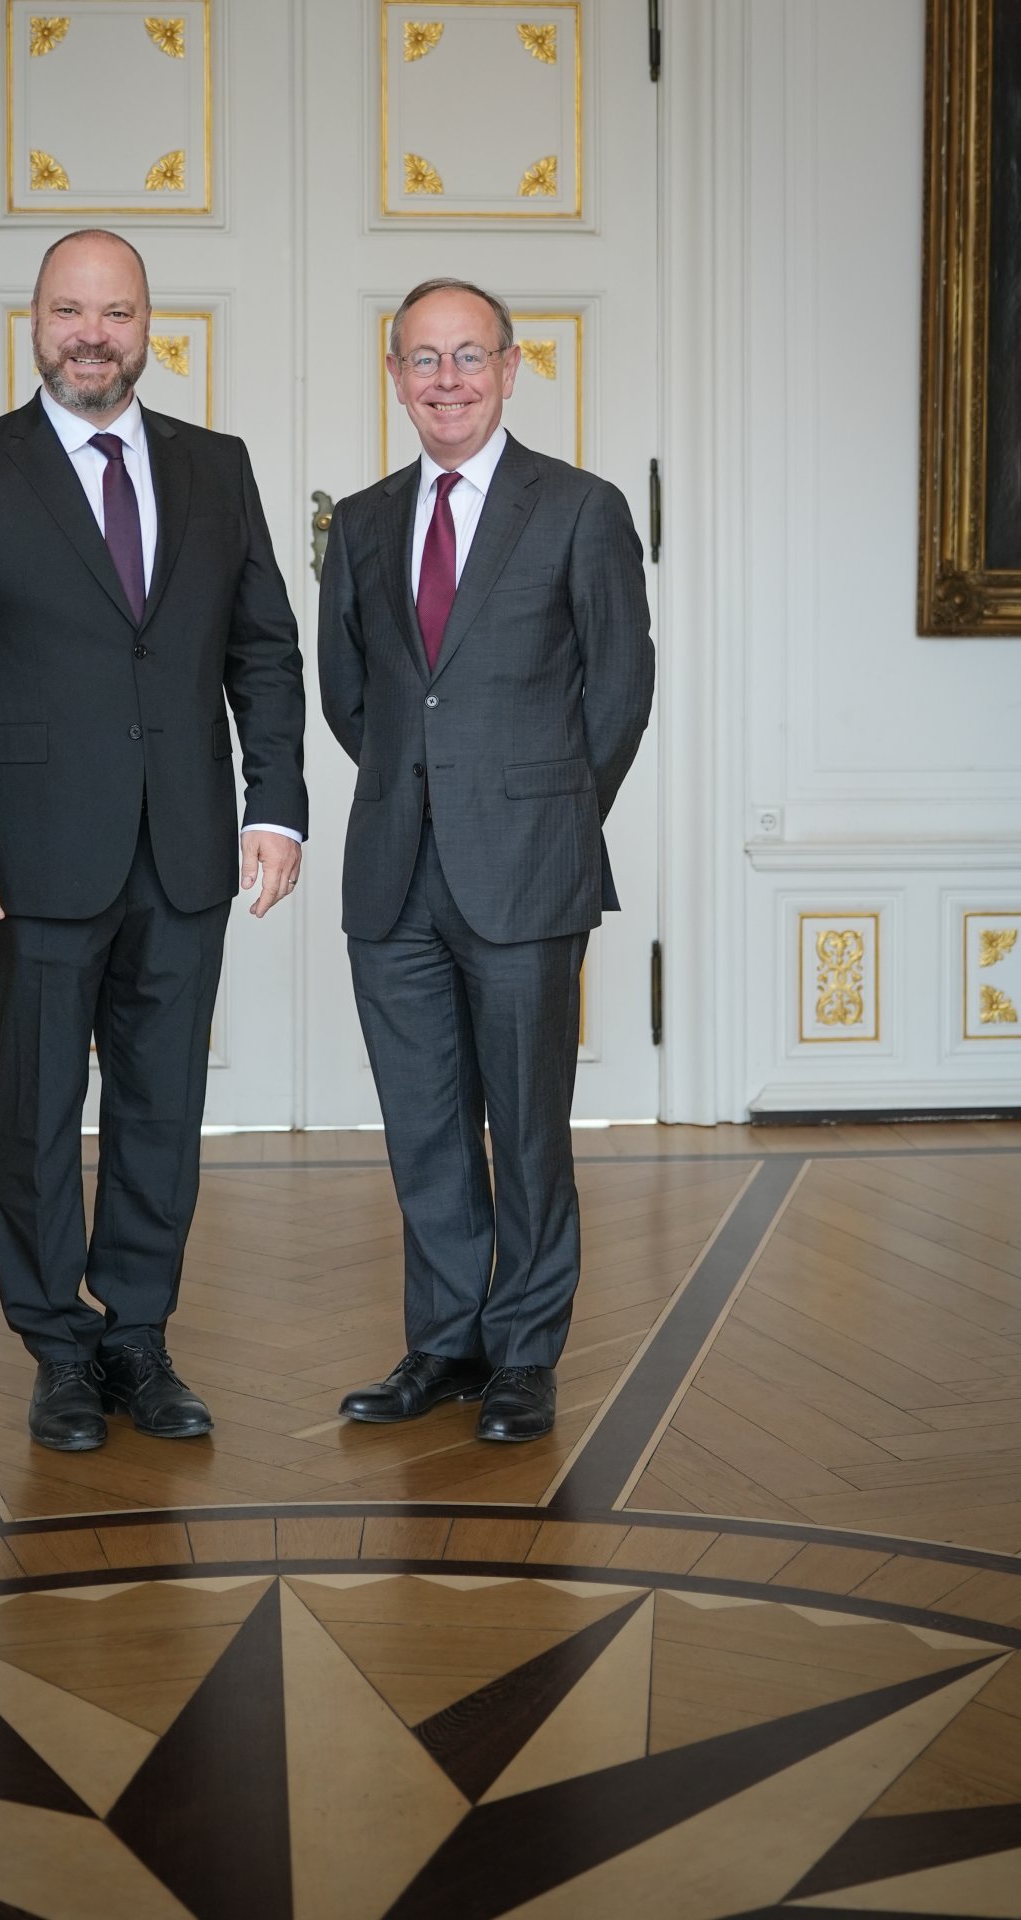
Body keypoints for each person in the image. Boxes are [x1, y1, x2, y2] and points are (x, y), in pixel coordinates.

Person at [0, 230, 306, 1453]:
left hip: (185, 851)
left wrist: (274, 804)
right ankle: (58, 1350)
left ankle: (136, 1337)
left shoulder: (218, 467)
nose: (93, 335)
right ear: (35, 321)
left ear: (148, 326)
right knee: (33, 1111)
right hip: (25, 860)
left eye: (116, 313)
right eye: (70, 310)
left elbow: (264, 651)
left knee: (163, 1109)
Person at [319, 277, 653, 1443]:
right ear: (395, 376)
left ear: (512, 369)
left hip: (528, 869)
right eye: (424, 358)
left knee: (528, 1128)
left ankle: (522, 1355)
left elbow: (620, 689)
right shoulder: (361, 523)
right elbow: (351, 697)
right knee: (424, 1130)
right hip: (393, 873)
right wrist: (424, 790)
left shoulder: (580, 508)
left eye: (469, 355)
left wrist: (544, 814)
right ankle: (446, 1343)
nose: (447, 379)